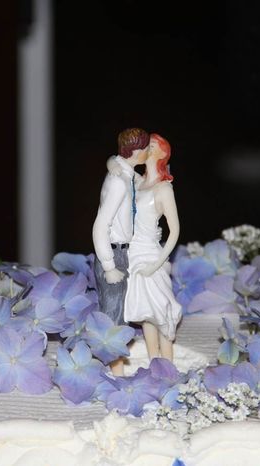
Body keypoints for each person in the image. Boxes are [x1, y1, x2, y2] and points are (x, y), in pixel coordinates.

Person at [92, 128, 149, 376]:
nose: (147, 153)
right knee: (113, 316)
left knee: (120, 311)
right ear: (136, 151)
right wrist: (108, 265)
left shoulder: (126, 173)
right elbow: (100, 225)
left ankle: (114, 369)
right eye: (145, 149)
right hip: (113, 254)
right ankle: (115, 374)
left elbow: (142, 181)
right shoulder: (117, 182)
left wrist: (112, 160)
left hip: (123, 252)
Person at [123, 133, 182, 362]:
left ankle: (167, 365)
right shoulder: (137, 182)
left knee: (161, 310)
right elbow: (116, 164)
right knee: (146, 312)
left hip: (150, 254)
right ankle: (153, 361)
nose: (148, 146)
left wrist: (157, 264)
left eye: (153, 144)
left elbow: (174, 231)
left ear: (162, 153)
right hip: (133, 252)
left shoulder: (163, 188)